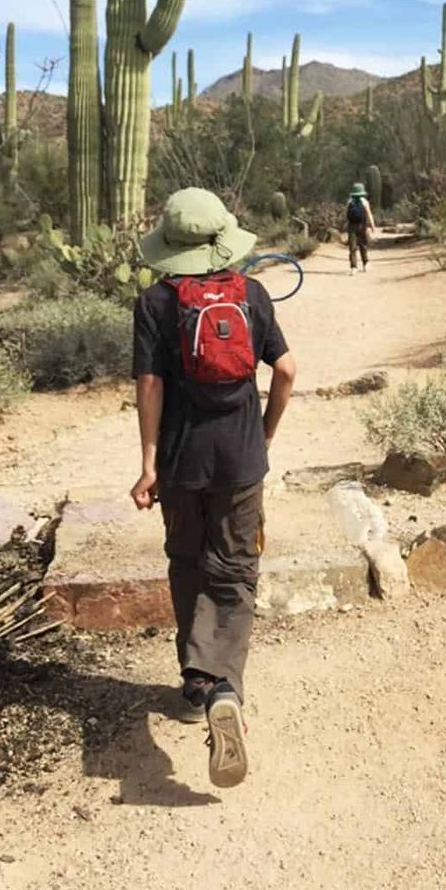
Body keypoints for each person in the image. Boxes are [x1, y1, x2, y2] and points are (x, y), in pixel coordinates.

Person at [130, 187, 296, 789]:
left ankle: (196, 681)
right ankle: (224, 686)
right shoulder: (251, 294)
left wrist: (148, 464)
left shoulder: (154, 302)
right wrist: (264, 434)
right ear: (224, 239)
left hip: (179, 462)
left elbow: (150, 388)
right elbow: (287, 370)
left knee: (187, 561)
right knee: (234, 568)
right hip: (241, 456)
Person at [345, 181, 375, 274]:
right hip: (362, 225)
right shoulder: (364, 201)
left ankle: (353, 267)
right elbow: (369, 214)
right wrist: (372, 225)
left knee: (352, 247)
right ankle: (365, 263)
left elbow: (346, 214)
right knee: (363, 245)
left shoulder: (349, 201)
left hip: (351, 226)